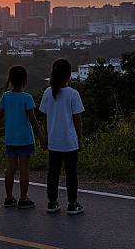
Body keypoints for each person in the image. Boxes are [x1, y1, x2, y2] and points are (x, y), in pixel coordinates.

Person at [40, 58, 84, 215]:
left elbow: (44, 117)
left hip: (53, 141)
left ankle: (52, 202)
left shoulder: (47, 92)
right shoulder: (73, 94)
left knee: (53, 173)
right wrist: (80, 138)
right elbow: (77, 119)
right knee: (71, 174)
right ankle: (72, 203)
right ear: (68, 75)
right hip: (69, 142)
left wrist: (45, 136)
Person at [0, 65, 43, 209]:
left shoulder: (6, 96)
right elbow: (33, 121)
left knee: (10, 168)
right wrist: (40, 137)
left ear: (10, 80)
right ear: (25, 81)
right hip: (25, 139)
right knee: (24, 169)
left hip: (10, 139)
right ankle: (23, 198)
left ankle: (9, 198)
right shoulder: (27, 98)